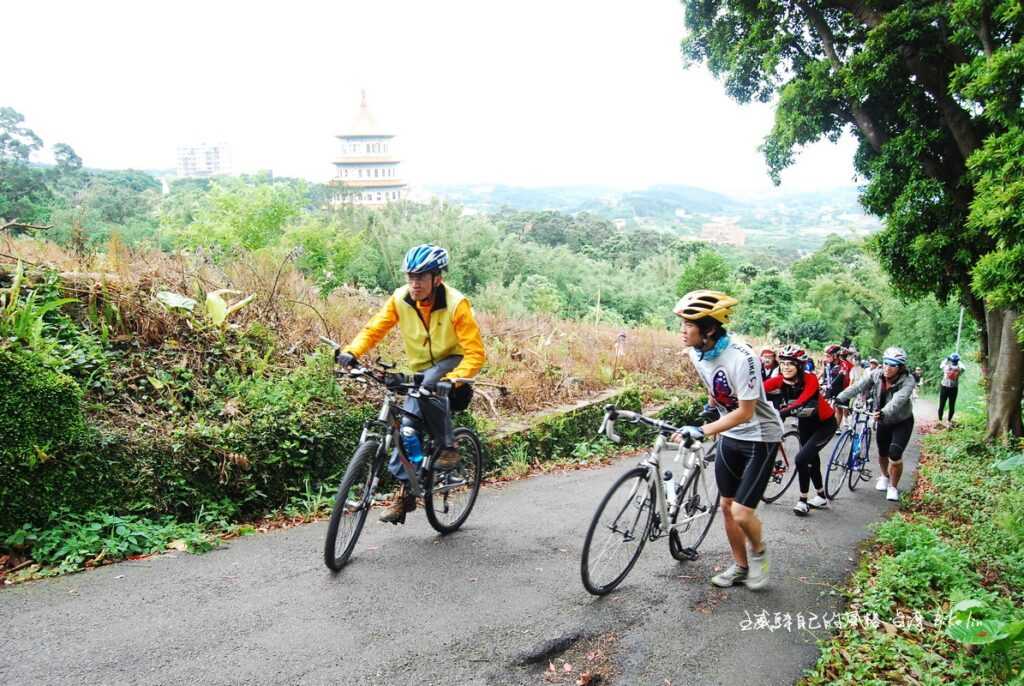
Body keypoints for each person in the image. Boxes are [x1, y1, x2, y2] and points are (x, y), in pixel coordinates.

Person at [338, 244, 486, 524]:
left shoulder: (456, 304)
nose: (414, 284)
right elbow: (375, 327)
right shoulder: (401, 299)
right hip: (421, 369)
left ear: (437, 279)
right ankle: (407, 493)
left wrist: (454, 379)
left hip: (451, 363)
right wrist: (352, 352)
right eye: (410, 277)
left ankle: (448, 447)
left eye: (421, 277)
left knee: (430, 384)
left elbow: (475, 352)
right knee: (407, 426)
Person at [672, 290, 783, 590]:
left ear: (708, 329)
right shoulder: (697, 353)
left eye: (688, 325)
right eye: (681, 324)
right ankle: (740, 566)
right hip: (730, 437)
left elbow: (746, 412)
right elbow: (714, 388)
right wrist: (708, 415)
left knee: (742, 512)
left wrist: (703, 431)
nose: (682, 331)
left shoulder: (742, 357)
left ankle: (759, 553)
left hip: (760, 437)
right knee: (726, 505)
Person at [763, 345, 837, 516]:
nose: (786, 367)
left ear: (799, 366)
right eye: (783, 363)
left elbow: (802, 400)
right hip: (805, 424)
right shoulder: (780, 380)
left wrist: (783, 412)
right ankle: (820, 496)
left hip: (825, 425)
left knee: (801, 459)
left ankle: (803, 501)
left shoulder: (810, 379)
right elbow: (758, 389)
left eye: (791, 364)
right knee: (811, 461)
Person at [836, 347, 916, 503]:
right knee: (883, 452)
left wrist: (884, 412)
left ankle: (893, 486)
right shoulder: (877, 374)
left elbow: (899, 400)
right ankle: (884, 476)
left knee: (895, 453)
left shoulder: (908, 380)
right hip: (883, 419)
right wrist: (840, 397)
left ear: (900, 367)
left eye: (892, 365)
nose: (887, 368)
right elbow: (858, 386)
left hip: (901, 420)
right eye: (885, 363)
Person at [822, 344, 850, 429]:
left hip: (841, 389)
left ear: (835, 356)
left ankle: (836, 427)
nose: (826, 358)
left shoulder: (843, 365)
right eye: (826, 356)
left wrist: (829, 385)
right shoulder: (827, 364)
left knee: (838, 408)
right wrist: (823, 383)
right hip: (829, 388)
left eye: (828, 356)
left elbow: (839, 378)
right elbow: (825, 375)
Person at [938, 353, 966, 424]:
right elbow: (964, 368)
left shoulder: (946, 367)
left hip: (944, 387)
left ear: (951, 360)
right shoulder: (959, 369)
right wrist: (959, 361)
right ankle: (949, 420)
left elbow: (941, 365)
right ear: (957, 360)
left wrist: (947, 359)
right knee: (952, 405)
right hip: (954, 389)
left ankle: (940, 420)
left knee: (941, 404)